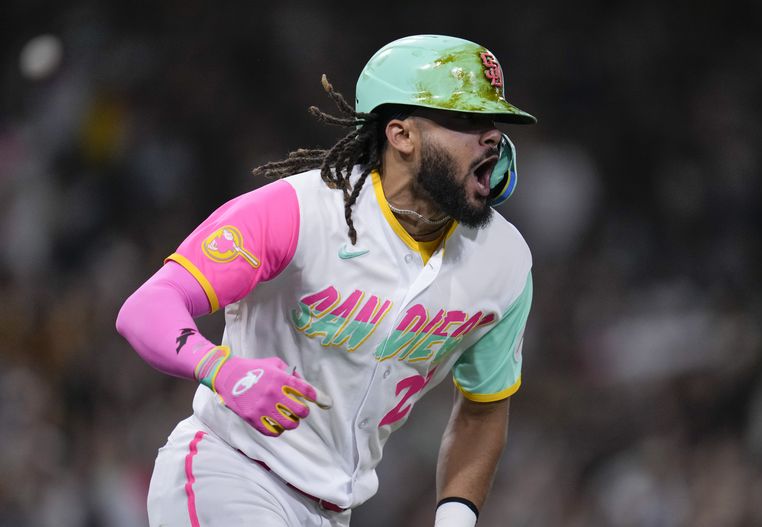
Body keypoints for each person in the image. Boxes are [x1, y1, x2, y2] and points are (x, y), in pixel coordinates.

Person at [117, 34, 537, 527]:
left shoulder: (504, 261)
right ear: (401, 135)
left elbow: (483, 409)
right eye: (466, 120)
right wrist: (222, 369)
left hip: (333, 513)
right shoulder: (301, 210)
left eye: (494, 123)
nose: (492, 137)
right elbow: (147, 307)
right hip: (228, 472)